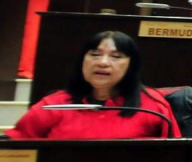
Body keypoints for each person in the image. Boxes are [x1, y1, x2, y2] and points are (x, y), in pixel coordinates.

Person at [4, 31, 179, 139]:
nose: (102, 62)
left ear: (131, 65)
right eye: (95, 54)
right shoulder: (53, 105)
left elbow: (174, 159)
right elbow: (15, 151)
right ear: (83, 60)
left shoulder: (153, 107)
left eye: (116, 56)